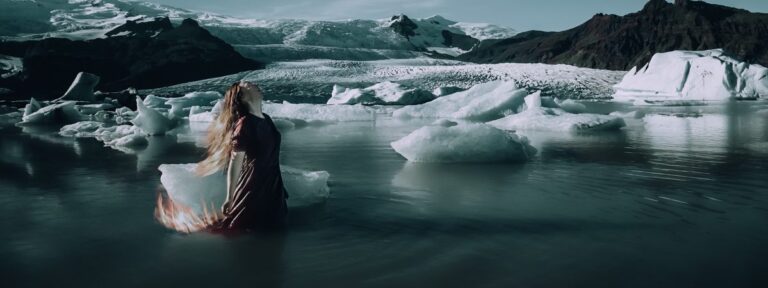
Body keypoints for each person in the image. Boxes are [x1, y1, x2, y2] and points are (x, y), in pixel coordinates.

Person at [196, 80, 289, 232]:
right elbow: (235, 162)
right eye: (248, 85)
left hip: (273, 184)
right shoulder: (244, 124)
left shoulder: (266, 119)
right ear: (243, 97)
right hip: (253, 186)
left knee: (272, 232)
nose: (254, 85)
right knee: (244, 230)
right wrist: (229, 197)